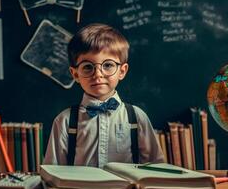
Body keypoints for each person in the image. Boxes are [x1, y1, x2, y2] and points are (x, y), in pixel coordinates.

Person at [44, 23, 164, 168]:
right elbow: (53, 172)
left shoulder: (137, 118)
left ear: (122, 71)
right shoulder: (64, 121)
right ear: (75, 74)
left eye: (107, 65)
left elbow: (156, 169)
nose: (98, 74)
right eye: (88, 67)